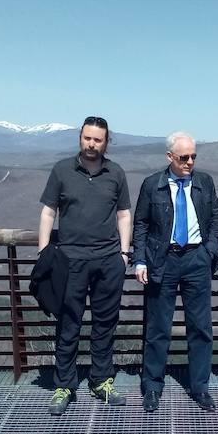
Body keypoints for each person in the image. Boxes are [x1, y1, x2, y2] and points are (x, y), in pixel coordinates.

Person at [38, 116, 132, 415]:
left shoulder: (115, 173)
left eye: (98, 140)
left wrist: (124, 254)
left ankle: (101, 380)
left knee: (105, 325)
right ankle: (64, 384)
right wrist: (44, 254)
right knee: (68, 324)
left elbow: (124, 214)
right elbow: (48, 212)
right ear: (80, 138)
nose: (92, 144)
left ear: (107, 142)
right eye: (87, 138)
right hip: (69, 261)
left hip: (108, 260)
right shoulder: (62, 170)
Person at [132, 132, 218, 413]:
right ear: (170, 157)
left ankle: (200, 387)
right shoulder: (152, 185)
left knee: (200, 327)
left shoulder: (204, 182)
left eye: (193, 156)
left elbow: (217, 217)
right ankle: (152, 387)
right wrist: (140, 260)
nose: (190, 162)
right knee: (158, 327)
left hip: (197, 259)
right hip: (163, 260)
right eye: (184, 157)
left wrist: (209, 250)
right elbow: (141, 225)